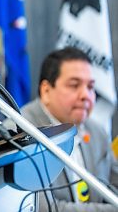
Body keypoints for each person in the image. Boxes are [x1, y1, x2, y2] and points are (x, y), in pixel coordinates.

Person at [21, 47, 118, 212]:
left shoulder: (97, 131)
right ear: (46, 91)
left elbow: (114, 184)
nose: (85, 95)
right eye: (74, 85)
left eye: (90, 87)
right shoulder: (19, 131)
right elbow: (43, 209)